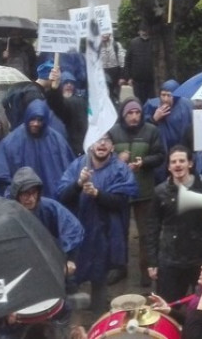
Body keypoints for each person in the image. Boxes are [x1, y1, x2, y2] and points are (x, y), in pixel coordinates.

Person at [56, 134, 138, 315]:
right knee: (72, 278)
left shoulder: (120, 169)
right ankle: (72, 325)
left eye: (107, 140)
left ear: (112, 147)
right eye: (98, 139)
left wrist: (97, 194)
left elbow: (122, 200)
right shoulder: (78, 166)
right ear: (91, 145)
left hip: (105, 234)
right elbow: (62, 195)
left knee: (100, 279)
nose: (102, 143)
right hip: (78, 235)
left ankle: (98, 322)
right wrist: (78, 184)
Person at [4, 167, 84, 339]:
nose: (30, 198)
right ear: (16, 194)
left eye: (34, 193)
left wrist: (67, 260)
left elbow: (73, 229)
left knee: (62, 309)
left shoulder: (49, 208)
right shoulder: (4, 214)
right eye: (25, 194)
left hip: (49, 272)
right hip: (18, 277)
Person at [145, 146, 202, 303]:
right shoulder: (160, 192)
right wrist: (152, 261)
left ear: (190, 164)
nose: (178, 165)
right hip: (170, 259)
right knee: (167, 305)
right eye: (173, 162)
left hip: (201, 259)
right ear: (168, 166)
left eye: (182, 161)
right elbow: (152, 227)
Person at [108, 97, 165, 287]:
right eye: (130, 113)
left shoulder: (151, 130)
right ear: (123, 115)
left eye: (137, 113)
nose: (134, 117)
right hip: (120, 192)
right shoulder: (113, 132)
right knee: (119, 232)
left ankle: (146, 270)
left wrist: (144, 162)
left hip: (144, 191)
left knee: (146, 234)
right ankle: (119, 267)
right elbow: (102, 156)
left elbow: (160, 155)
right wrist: (117, 159)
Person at [0, 98, 76, 198]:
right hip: (23, 201)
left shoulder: (57, 140)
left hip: (53, 199)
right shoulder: (10, 142)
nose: (35, 123)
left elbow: (70, 170)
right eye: (32, 119)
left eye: (40, 120)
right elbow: (0, 175)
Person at [145, 80, 194, 182]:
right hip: (161, 155)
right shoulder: (152, 106)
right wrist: (154, 119)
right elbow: (143, 130)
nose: (165, 99)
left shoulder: (186, 106)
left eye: (169, 95)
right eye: (163, 95)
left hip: (182, 151)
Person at [47, 68, 90, 157]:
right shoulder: (51, 102)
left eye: (72, 83)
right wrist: (54, 88)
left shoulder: (80, 102)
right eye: (66, 82)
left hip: (76, 149)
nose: (69, 85)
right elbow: (58, 105)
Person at [127, 23, 159, 103]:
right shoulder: (133, 43)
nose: (144, 33)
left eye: (146, 31)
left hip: (151, 81)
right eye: (142, 31)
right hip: (137, 81)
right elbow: (128, 60)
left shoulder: (154, 43)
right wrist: (128, 77)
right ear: (139, 32)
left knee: (151, 102)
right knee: (139, 101)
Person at [99, 31, 127, 104]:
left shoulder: (116, 45)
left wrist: (122, 77)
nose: (104, 35)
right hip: (102, 72)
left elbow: (122, 62)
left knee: (115, 96)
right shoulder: (97, 46)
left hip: (115, 72)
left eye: (106, 33)